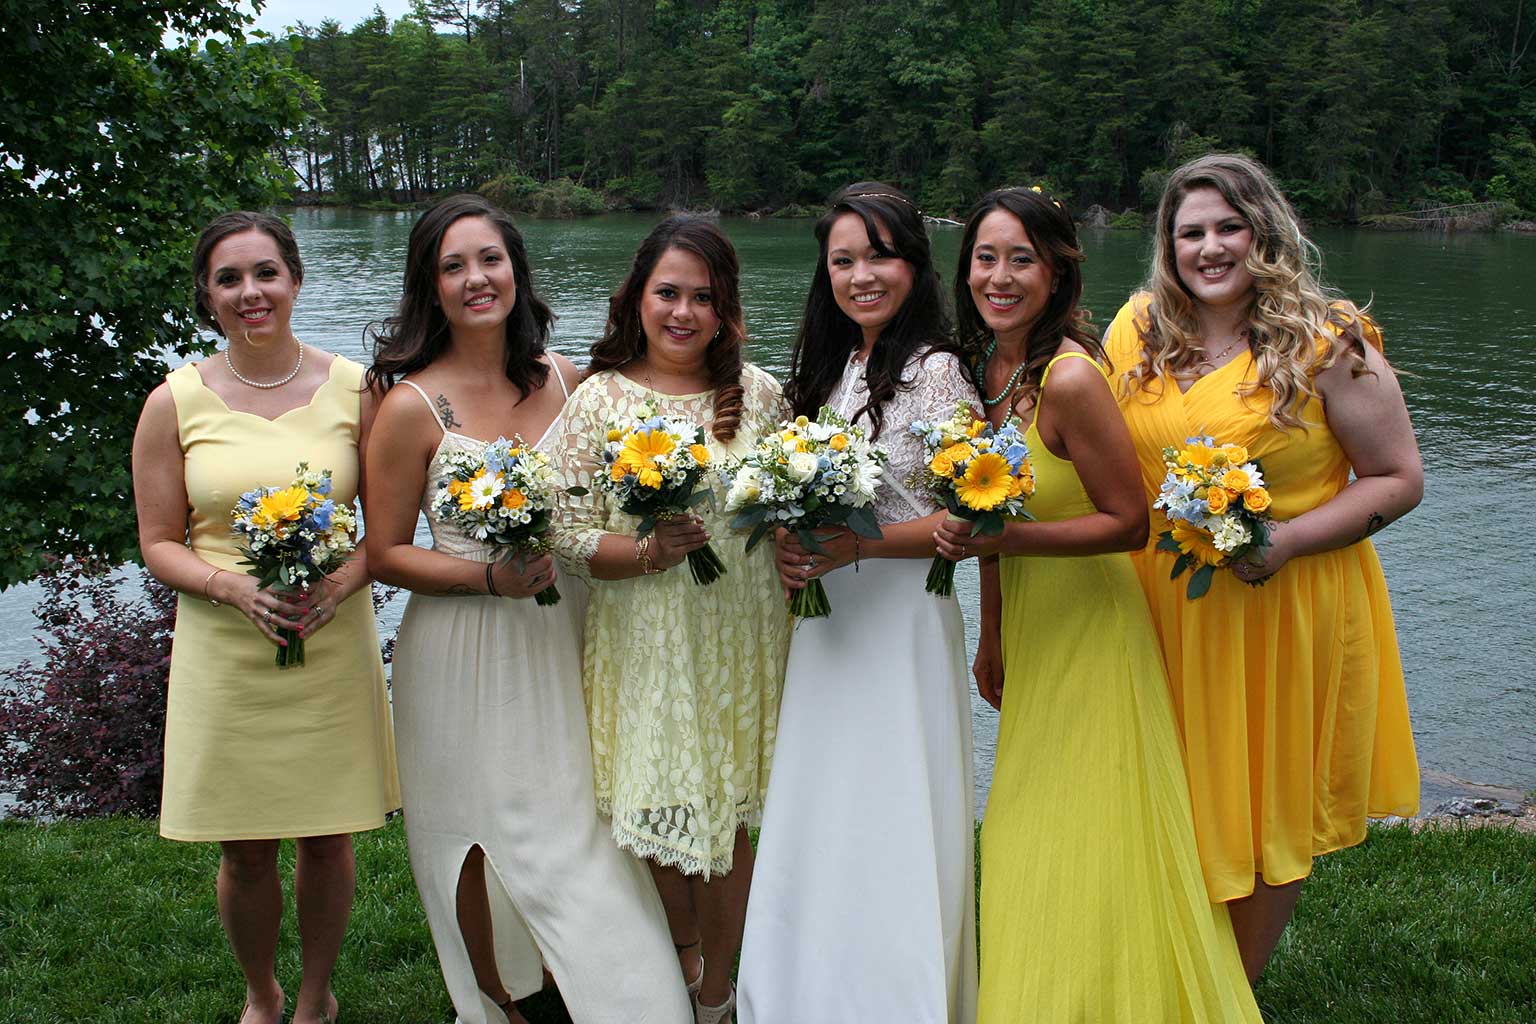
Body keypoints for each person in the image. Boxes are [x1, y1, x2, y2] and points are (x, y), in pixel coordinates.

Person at [933, 186, 1260, 1021]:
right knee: (1025, 827)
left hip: (1096, 630)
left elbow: (1128, 524)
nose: (999, 277)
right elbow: (993, 514)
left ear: (1056, 272)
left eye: (1020, 259)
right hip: (1036, 630)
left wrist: (1007, 547)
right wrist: (992, 635)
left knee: (1087, 826)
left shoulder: (1071, 377)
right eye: (984, 257)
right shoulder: (988, 374)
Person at [363, 194, 692, 1024]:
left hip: (564, 631)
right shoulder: (412, 408)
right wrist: (485, 580)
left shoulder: (563, 378)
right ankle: (496, 1000)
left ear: (516, 270)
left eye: (490, 260)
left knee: (577, 824)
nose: (477, 278)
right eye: (453, 266)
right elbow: (385, 552)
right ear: (429, 287)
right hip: (462, 646)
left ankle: (628, 990)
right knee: (470, 829)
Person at [1103, 153, 1423, 981]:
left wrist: (1281, 541)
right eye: (1189, 233)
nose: (1209, 248)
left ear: (1264, 233)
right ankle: (1170, 968)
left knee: (1265, 806)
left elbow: (1399, 479)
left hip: (1280, 606)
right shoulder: (1136, 331)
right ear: (1167, 247)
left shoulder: (1326, 343)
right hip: (1158, 606)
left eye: (1227, 228)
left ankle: (1233, 992)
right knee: (1166, 795)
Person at [132, 212, 399, 1024]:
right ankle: (261, 995)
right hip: (225, 644)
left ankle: (315, 998)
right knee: (243, 846)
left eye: (265, 273)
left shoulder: (362, 390)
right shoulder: (171, 402)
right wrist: (231, 589)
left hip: (330, 636)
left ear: (295, 279)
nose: (250, 293)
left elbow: (386, 533)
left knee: (327, 836)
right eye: (229, 279)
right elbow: (157, 542)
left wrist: (339, 586)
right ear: (207, 297)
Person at [736, 183, 978, 1023]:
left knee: (893, 802)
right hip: (832, 624)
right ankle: (809, 988)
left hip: (902, 617)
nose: (861, 275)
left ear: (913, 263)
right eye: (843, 260)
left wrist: (865, 546)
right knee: (826, 801)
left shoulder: (937, 371)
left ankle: (897, 995)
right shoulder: (839, 365)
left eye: (878, 255)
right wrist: (788, 539)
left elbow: (970, 512)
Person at [550, 215, 789, 1024]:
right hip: (646, 632)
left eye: (703, 297)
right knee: (654, 805)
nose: (683, 312)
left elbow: (785, 499)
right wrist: (648, 550)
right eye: (667, 293)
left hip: (742, 633)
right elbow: (567, 533)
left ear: (725, 310)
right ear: (636, 298)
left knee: (729, 812)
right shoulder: (599, 400)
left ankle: (719, 988)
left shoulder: (755, 393)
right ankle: (679, 955)